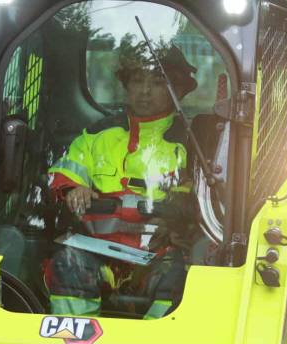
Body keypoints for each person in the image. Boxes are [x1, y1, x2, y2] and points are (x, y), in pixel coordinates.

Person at [47, 43, 198, 319]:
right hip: (96, 251)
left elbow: (196, 204)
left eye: (157, 81)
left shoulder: (191, 141)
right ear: (126, 85)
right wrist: (73, 188)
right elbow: (64, 175)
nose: (144, 90)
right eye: (137, 80)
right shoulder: (97, 134)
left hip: (160, 255)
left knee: (184, 279)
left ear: (177, 89)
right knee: (66, 264)